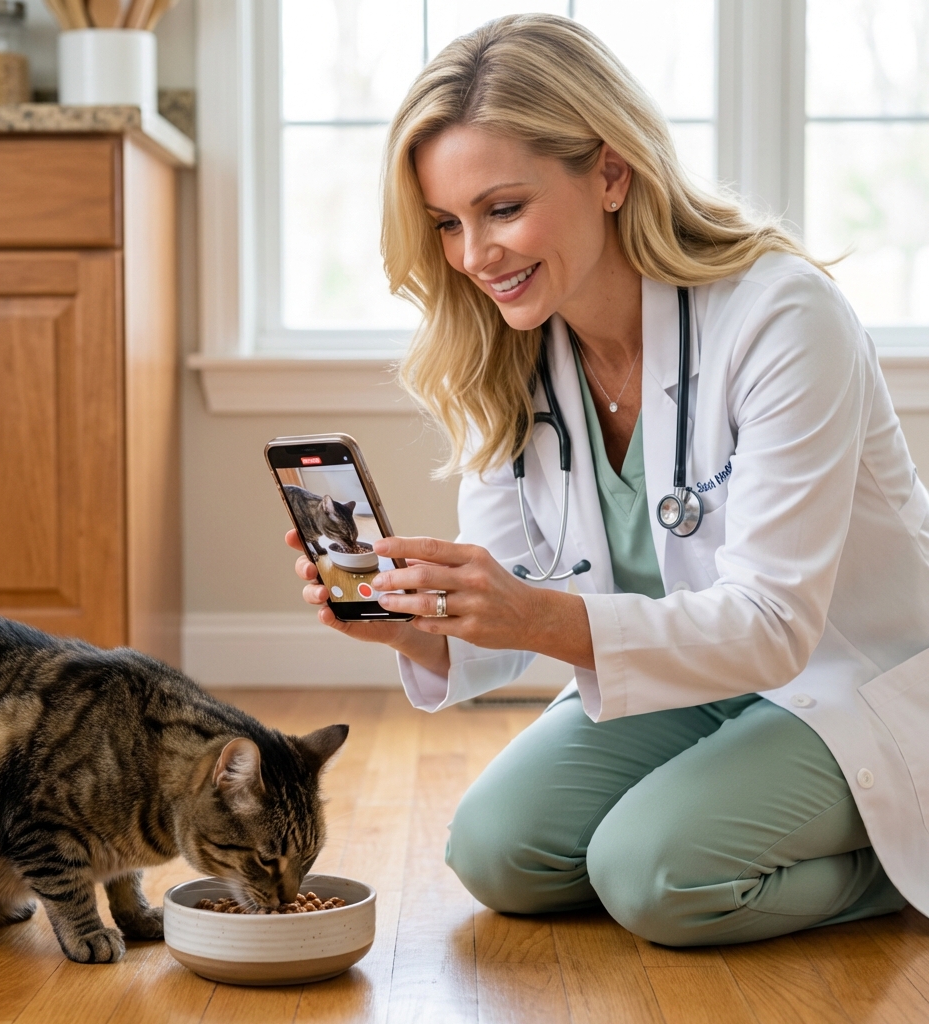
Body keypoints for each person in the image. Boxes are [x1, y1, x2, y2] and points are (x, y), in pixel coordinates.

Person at [286, 14, 929, 945]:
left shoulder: (781, 315)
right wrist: (418, 626)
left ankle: (902, 839)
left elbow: (776, 624)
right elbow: (508, 612)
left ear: (612, 174)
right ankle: (725, 809)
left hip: (844, 672)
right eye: (447, 224)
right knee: (498, 851)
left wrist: (535, 616)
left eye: (503, 210)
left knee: (652, 875)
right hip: (691, 680)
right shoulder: (509, 350)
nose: (474, 257)